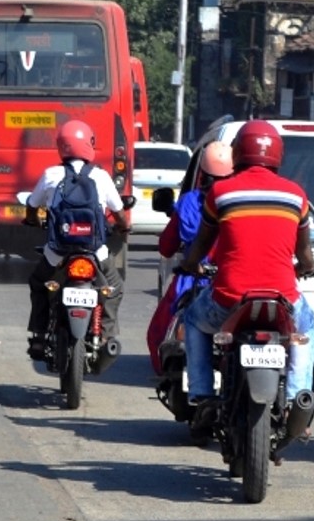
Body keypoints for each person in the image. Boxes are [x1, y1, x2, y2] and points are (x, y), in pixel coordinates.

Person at [178, 121, 314, 405]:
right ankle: (297, 399)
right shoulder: (296, 195)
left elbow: (201, 245)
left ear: (238, 152)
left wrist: (190, 264)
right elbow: (304, 254)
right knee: (307, 326)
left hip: (228, 300)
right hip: (284, 300)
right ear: (277, 154)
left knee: (192, 319)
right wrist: (305, 268)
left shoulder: (220, 193)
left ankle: (202, 393)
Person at [23, 119, 127, 361]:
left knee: (39, 284)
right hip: (95, 251)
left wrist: (33, 220)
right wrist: (124, 226)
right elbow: (120, 213)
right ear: (89, 143)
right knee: (113, 288)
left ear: (62, 146)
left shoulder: (51, 174)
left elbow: (31, 206)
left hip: (57, 252)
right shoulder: (101, 177)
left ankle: (38, 336)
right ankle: (107, 336)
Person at [147, 141, 234, 374]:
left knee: (158, 332)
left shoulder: (189, 203)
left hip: (193, 280)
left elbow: (166, 247)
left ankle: (167, 377)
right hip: (233, 281)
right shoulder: (242, 203)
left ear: (202, 173)